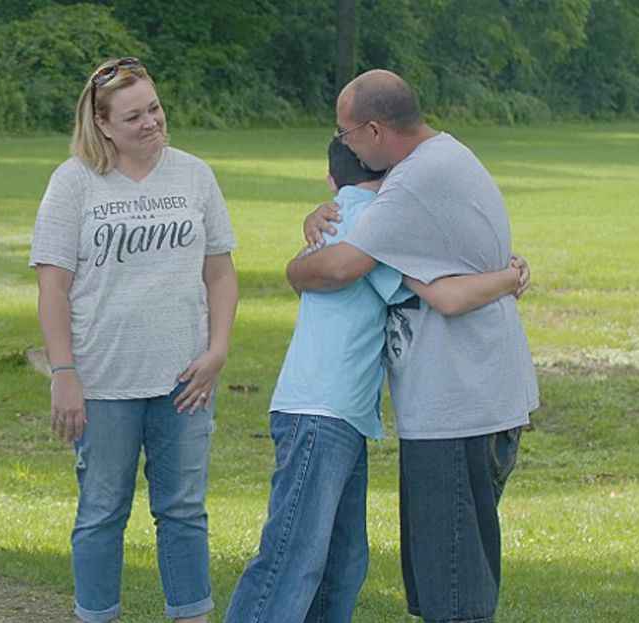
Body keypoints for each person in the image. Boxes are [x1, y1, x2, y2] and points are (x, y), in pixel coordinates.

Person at [224, 140, 527, 623]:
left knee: (341, 564)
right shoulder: (378, 229)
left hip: (338, 414)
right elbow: (445, 295)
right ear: (392, 176)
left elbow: (306, 270)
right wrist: (508, 278)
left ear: (331, 181)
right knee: (292, 559)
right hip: (321, 412)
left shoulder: (338, 217)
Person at [290, 69, 538, 623]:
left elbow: (340, 266)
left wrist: (294, 268)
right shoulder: (443, 159)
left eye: (345, 133)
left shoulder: (415, 183)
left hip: (457, 405)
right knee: (451, 582)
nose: (342, 144)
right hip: (476, 398)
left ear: (375, 130)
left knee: (453, 591)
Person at [29, 57, 238, 623]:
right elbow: (53, 289)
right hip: (102, 382)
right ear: (101, 124)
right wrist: (64, 372)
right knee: (101, 511)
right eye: (133, 116)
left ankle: (191, 614)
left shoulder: (195, 175)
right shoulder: (73, 182)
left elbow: (219, 273)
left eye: (154, 109)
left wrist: (217, 351)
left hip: (185, 379)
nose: (151, 123)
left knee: (184, 511)